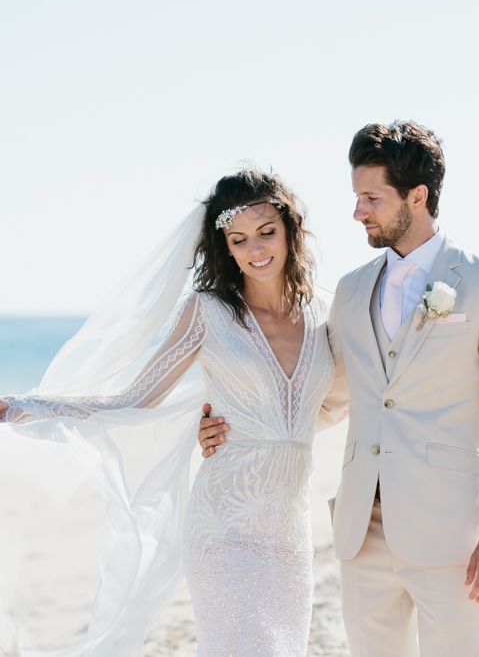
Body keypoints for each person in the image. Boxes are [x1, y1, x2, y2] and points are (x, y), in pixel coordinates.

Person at [199, 121, 479, 656]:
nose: (358, 211)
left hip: (451, 531)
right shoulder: (353, 289)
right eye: (357, 196)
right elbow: (330, 396)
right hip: (362, 532)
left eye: (371, 198)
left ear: (418, 196)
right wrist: (239, 430)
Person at [0, 168, 345, 656]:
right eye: (239, 238)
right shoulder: (206, 312)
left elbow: (342, 400)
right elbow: (135, 399)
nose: (255, 248)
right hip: (224, 524)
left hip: (289, 529)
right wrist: (28, 406)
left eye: (267, 232)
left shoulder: (325, 315)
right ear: (224, 246)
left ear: (290, 229)